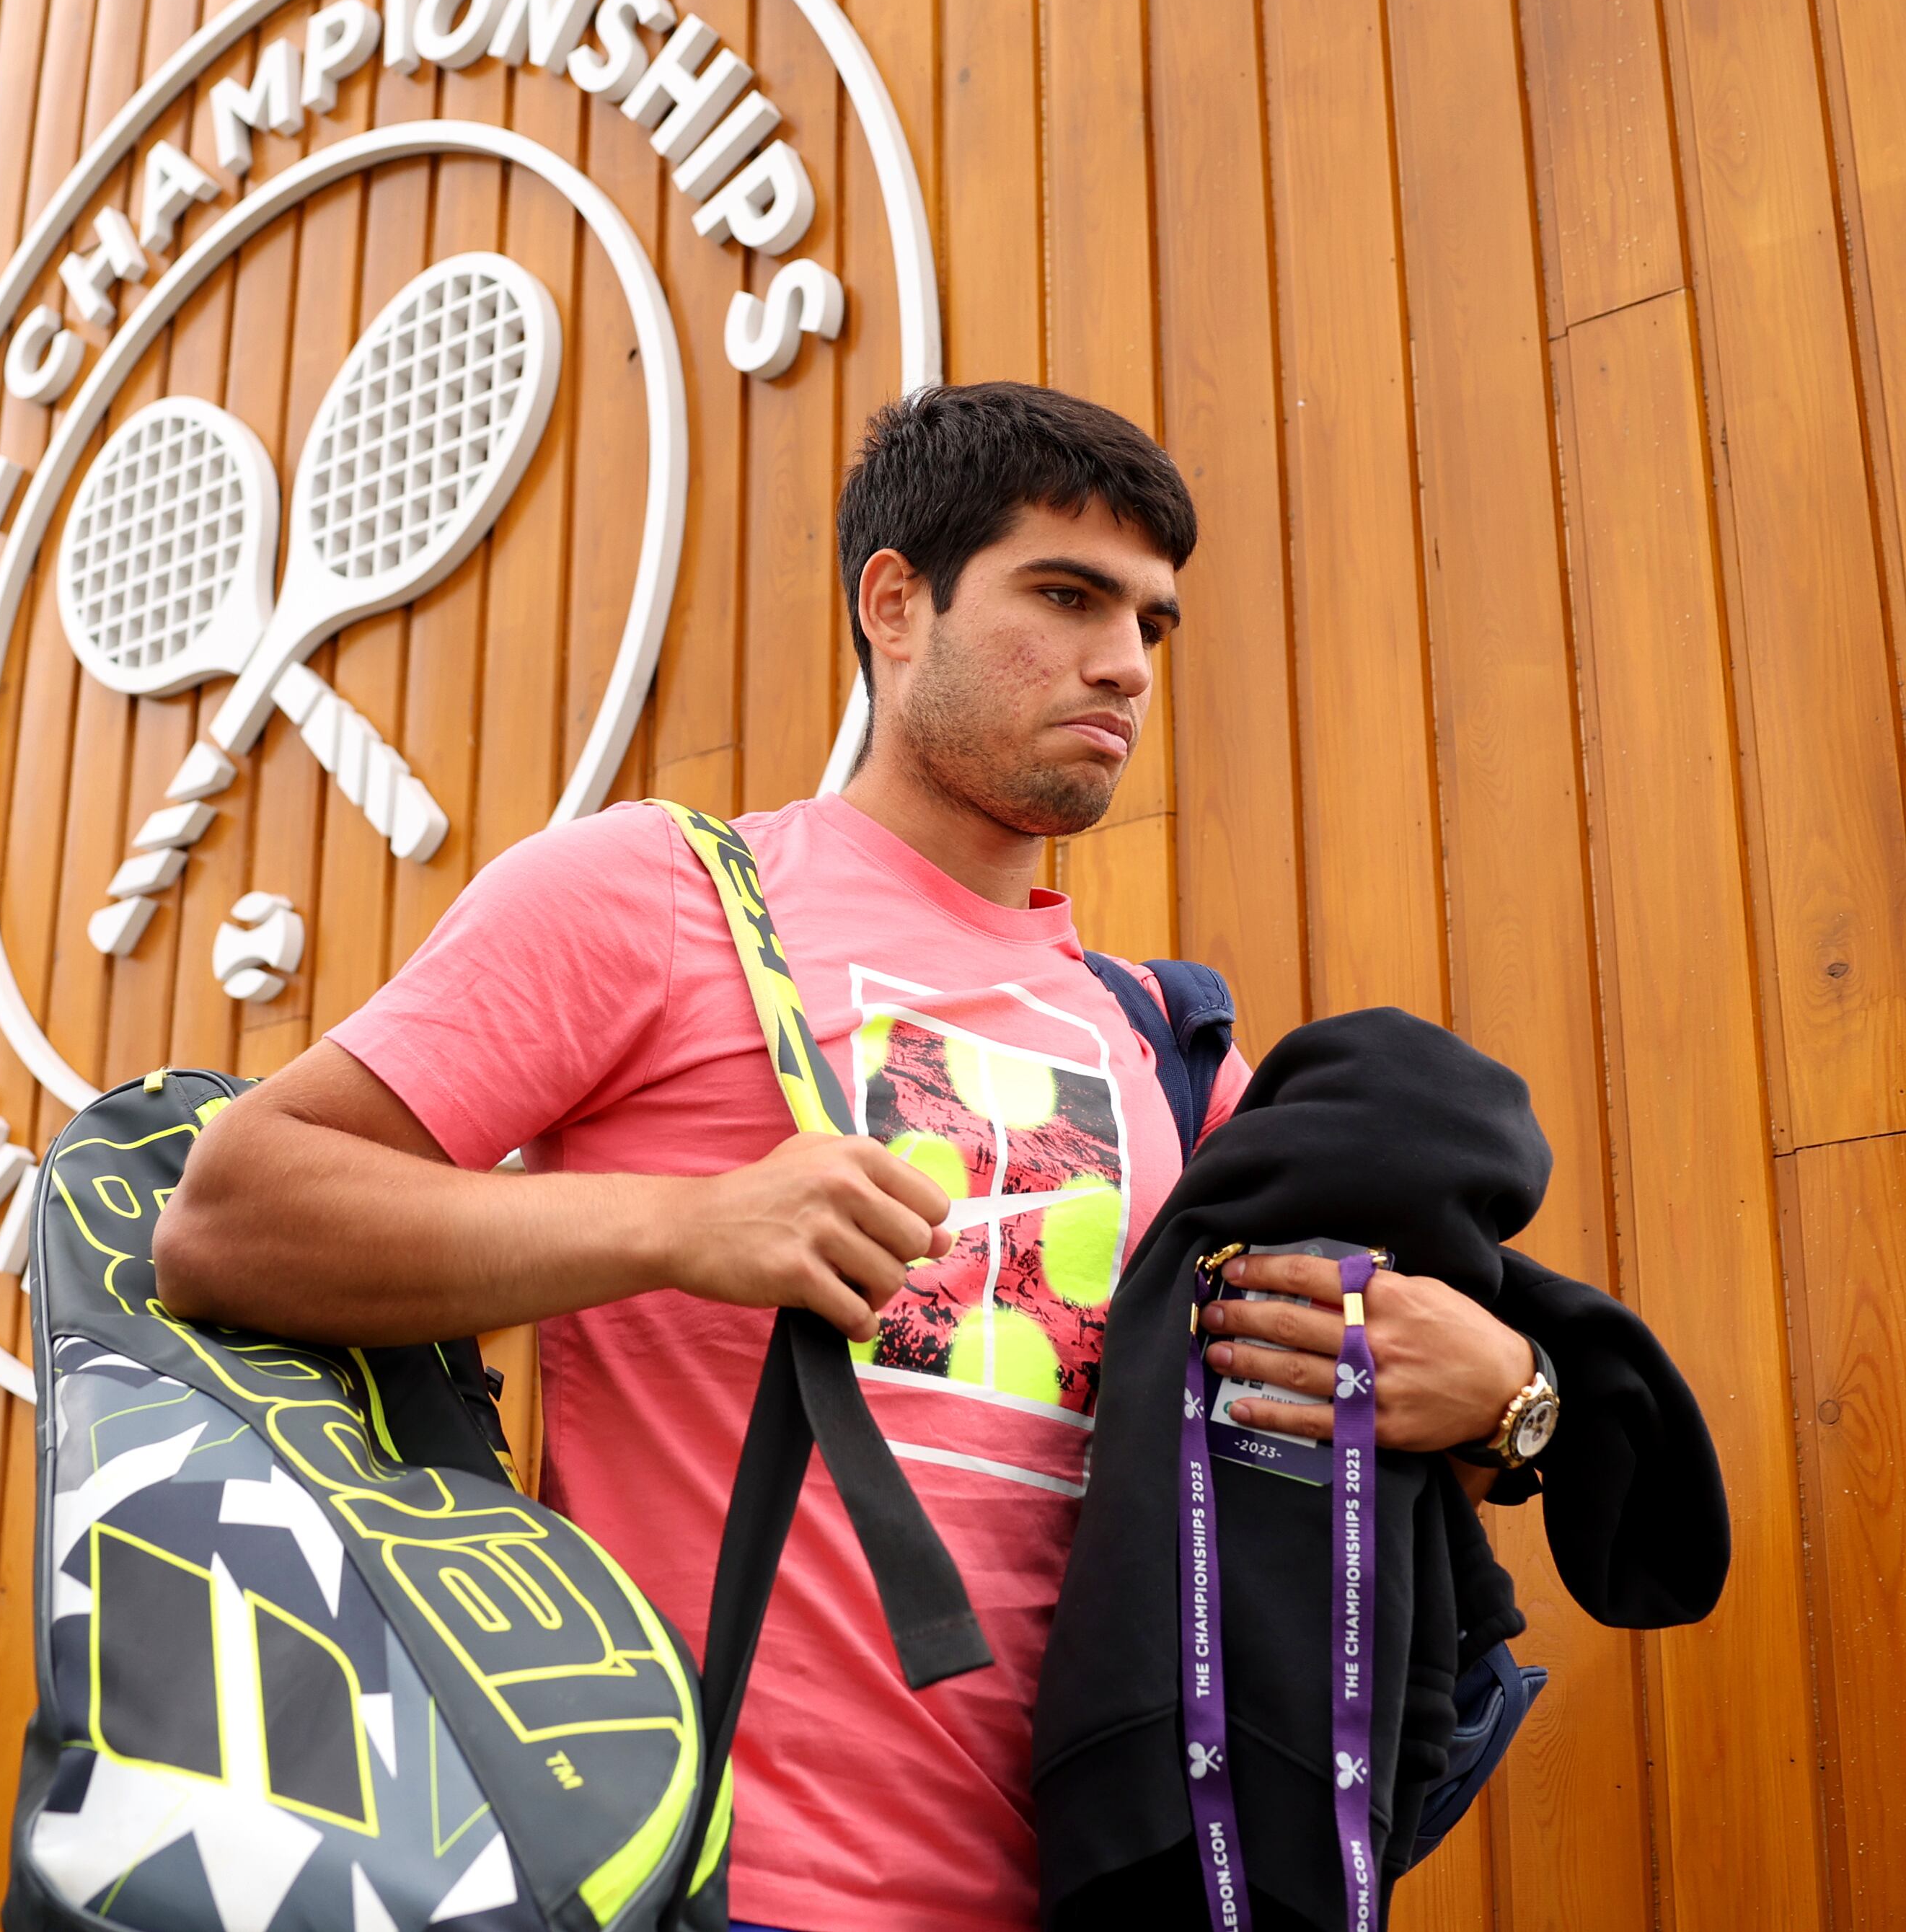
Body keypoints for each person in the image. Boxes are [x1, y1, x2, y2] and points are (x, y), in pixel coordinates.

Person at [153, 381, 1548, 1932]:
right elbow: (231, 1217)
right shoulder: (657, 893)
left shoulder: (1165, 1049)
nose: (1122, 665)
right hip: (718, 1883)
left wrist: (1506, 1403)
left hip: (1100, 1891)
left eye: (1151, 623)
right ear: (894, 602)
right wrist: (682, 1225)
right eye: (1066, 595)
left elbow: (1324, 1428)